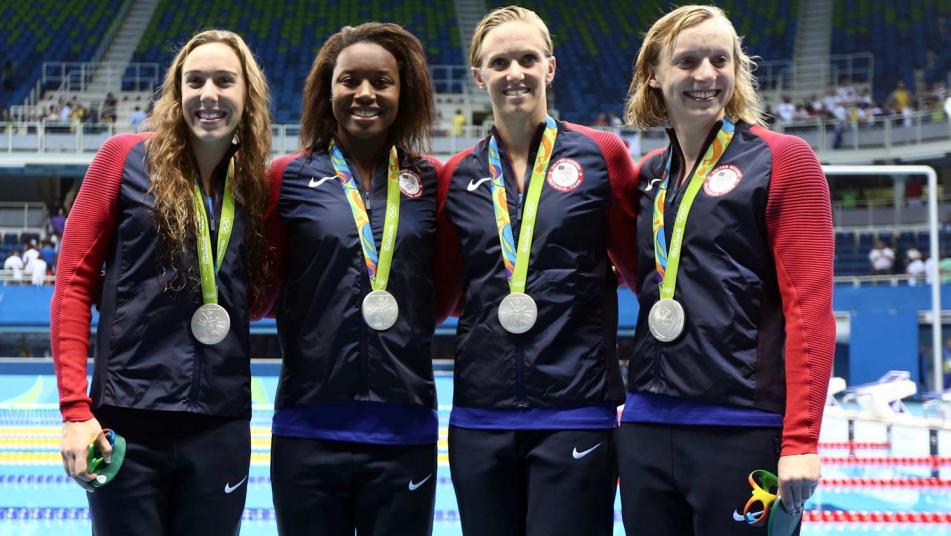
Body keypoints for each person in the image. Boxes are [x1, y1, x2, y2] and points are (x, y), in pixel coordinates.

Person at [619, 5, 834, 535]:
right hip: (647, 426)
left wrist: (801, 442)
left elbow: (810, 309)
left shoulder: (785, 160)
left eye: (721, 59)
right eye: (688, 61)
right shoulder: (648, 176)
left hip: (742, 424)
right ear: (654, 73)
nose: (706, 75)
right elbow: (642, 279)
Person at [51, 29, 272, 535]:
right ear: (176, 93)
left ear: (247, 95)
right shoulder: (123, 158)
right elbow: (72, 285)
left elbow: (258, 293)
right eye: (194, 81)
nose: (208, 94)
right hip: (127, 420)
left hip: (220, 422)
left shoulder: (257, 183)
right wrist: (75, 410)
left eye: (224, 81)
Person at [437, 6, 638, 535]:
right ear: (479, 76)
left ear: (550, 67)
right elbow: (447, 292)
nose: (514, 73)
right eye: (499, 62)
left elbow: (646, 271)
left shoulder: (602, 155)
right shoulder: (457, 174)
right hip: (480, 417)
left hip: (576, 411)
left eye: (527, 58)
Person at [264, 23, 443, 535]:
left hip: (404, 424)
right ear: (328, 91)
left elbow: (445, 286)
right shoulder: (288, 177)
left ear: (402, 93)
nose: (365, 93)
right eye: (349, 80)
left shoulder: (431, 179)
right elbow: (264, 284)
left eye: (381, 81)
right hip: (307, 425)